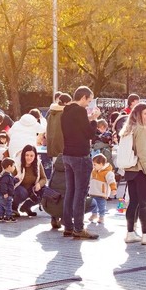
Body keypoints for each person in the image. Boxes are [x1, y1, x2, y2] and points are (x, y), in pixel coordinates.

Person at [61, 85, 100, 240]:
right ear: (83, 97)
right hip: (80, 156)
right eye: (88, 101)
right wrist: (95, 120)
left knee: (70, 191)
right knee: (80, 193)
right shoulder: (80, 111)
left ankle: (68, 227)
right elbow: (89, 133)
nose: (88, 105)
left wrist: (89, 119)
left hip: (67, 154)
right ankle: (78, 228)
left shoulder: (66, 111)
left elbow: (78, 127)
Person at [118, 103, 146, 245]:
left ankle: (130, 233)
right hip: (140, 170)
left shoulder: (128, 129)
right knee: (144, 203)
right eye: (145, 113)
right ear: (138, 114)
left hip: (130, 170)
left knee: (133, 202)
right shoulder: (141, 129)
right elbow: (143, 153)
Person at [12, 144, 47, 217]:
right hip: (18, 189)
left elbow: (44, 178)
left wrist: (39, 184)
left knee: (45, 192)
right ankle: (13, 208)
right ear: (23, 155)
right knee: (21, 191)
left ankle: (26, 207)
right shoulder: (17, 164)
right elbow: (10, 178)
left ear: (35, 156)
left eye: (31, 156)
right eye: (27, 155)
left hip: (32, 190)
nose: (29, 158)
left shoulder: (38, 163)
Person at [88, 154, 117, 224]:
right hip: (93, 191)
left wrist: (113, 189)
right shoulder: (94, 171)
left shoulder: (108, 172)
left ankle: (101, 216)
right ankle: (94, 214)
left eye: (95, 164)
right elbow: (89, 179)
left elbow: (111, 181)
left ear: (101, 164)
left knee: (101, 205)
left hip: (101, 193)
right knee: (92, 204)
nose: (93, 166)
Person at [0, 157, 17, 222]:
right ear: (9, 166)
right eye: (13, 166)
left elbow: (10, 182)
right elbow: (3, 184)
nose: (14, 167)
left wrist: (16, 180)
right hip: (5, 194)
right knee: (8, 205)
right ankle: (9, 217)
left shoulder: (4, 175)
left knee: (1, 205)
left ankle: (0, 216)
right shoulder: (6, 176)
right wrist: (5, 193)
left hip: (0, 194)